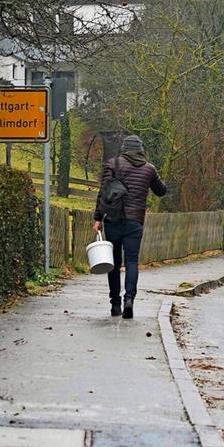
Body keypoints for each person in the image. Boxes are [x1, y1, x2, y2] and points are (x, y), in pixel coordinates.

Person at [93, 135, 167, 319]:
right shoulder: (149, 169)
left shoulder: (113, 164)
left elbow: (103, 193)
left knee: (114, 264)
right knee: (132, 261)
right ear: (141, 150)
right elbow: (161, 191)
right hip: (135, 221)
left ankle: (115, 305)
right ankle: (129, 300)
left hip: (113, 220)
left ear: (124, 148)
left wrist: (98, 218)